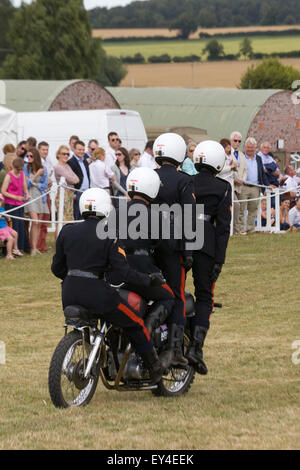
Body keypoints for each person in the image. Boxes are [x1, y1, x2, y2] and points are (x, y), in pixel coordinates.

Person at [51, 188, 165, 384]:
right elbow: (123, 272)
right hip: (97, 294)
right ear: (105, 207)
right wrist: (148, 280)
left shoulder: (67, 230)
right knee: (135, 322)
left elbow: (56, 268)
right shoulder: (109, 234)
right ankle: (154, 367)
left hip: (69, 292)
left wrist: (74, 279)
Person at [188, 140, 231, 375]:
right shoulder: (223, 187)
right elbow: (223, 227)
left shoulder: (187, 181)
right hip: (206, 243)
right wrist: (220, 259)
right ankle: (196, 346)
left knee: (173, 290)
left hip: (182, 239)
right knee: (205, 296)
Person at [152, 133, 196, 370]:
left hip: (146, 243)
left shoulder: (148, 176)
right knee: (177, 295)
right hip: (172, 245)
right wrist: (189, 250)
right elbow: (189, 218)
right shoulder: (183, 180)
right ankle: (174, 349)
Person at [117, 167, 175, 335]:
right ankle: (147, 329)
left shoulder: (115, 213)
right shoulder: (154, 216)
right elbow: (167, 247)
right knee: (168, 296)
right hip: (141, 271)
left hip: (115, 272)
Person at [238, 137, 269, 234]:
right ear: (245, 147)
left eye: (252, 147)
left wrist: (267, 185)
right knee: (241, 209)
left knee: (253, 210)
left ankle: (250, 229)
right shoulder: (241, 156)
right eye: (248, 147)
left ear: (255, 148)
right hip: (244, 186)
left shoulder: (258, 158)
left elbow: (262, 174)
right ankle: (241, 229)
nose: (250, 149)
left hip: (256, 187)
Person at [1, 157, 30, 252]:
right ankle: (11, 248)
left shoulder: (22, 174)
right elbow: (3, 191)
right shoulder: (9, 176)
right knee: (13, 226)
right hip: (10, 204)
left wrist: (27, 194)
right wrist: (15, 197)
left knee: (21, 225)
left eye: (21, 169)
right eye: (18, 169)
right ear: (13, 167)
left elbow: (24, 187)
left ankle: (20, 247)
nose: (19, 171)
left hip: (20, 204)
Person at [24, 148, 49, 255]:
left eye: (31, 156)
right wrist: (36, 176)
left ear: (35, 157)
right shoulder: (25, 167)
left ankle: (35, 247)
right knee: (35, 221)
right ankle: (32, 247)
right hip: (30, 196)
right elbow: (25, 184)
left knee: (38, 223)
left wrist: (35, 184)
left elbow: (45, 184)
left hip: (40, 196)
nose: (29, 158)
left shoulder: (43, 169)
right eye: (27, 156)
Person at [54, 145, 79, 227]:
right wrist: (73, 179)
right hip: (62, 196)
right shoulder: (58, 167)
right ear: (58, 155)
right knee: (62, 220)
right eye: (63, 154)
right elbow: (72, 179)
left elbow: (77, 179)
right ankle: (59, 239)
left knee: (69, 219)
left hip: (70, 195)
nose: (66, 156)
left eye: (67, 154)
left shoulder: (67, 166)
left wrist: (73, 179)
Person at [37, 141, 54, 252]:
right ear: (38, 150)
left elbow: (51, 172)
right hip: (39, 194)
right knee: (39, 221)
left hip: (47, 193)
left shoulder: (48, 160)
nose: (45, 152)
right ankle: (37, 245)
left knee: (45, 220)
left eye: (47, 149)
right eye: (43, 149)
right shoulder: (37, 162)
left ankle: (42, 245)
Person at [67, 140, 90, 220]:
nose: (82, 151)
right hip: (77, 193)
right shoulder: (70, 162)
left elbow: (87, 176)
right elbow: (69, 179)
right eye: (79, 150)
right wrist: (73, 193)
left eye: (83, 150)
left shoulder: (85, 161)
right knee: (77, 217)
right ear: (74, 149)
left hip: (86, 193)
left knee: (86, 216)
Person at [230, 131, 247, 234]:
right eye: (235, 140)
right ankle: (235, 230)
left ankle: (237, 229)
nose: (237, 143)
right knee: (236, 206)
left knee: (240, 207)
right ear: (231, 141)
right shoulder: (227, 153)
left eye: (239, 141)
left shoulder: (241, 154)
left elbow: (245, 169)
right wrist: (234, 179)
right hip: (230, 183)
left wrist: (242, 180)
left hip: (240, 185)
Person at [0, 193, 23, 259]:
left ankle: (15, 249)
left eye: (0, 201)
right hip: (1, 229)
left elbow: (7, 218)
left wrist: (8, 217)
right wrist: (1, 215)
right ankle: (9, 254)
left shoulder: (2, 209)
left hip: (5, 227)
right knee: (10, 238)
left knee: (15, 233)